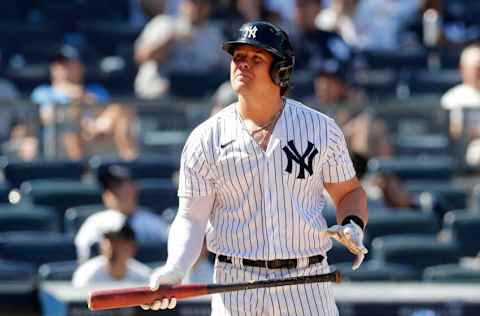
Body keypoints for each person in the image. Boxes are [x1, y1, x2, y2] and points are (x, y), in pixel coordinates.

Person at [141, 21, 368, 314]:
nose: (242, 65)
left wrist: (352, 223)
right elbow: (191, 218)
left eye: (256, 59)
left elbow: (349, 191)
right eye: (238, 57)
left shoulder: (320, 129)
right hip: (236, 283)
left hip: (306, 281)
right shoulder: (206, 138)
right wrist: (175, 267)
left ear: (282, 71)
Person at [31, 44, 138, 160]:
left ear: (81, 67)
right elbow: (47, 118)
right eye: (59, 64)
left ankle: (132, 166)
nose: (62, 68)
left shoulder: (96, 90)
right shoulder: (43, 92)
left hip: (96, 132)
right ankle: (80, 170)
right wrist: (75, 103)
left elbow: (106, 114)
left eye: (69, 64)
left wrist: (83, 96)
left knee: (119, 110)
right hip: (62, 138)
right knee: (72, 117)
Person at [75, 165, 170, 263]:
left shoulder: (153, 222)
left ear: (135, 189)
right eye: (113, 188)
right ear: (105, 195)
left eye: (124, 186)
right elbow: (84, 258)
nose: (121, 192)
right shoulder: (95, 223)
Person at [133, 0, 227, 99]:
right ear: (182, 4)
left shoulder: (214, 35)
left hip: (197, 97)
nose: (197, 7)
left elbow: (228, 67)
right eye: (193, 3)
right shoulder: (163, 24)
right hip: (158, 95)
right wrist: (170, 40)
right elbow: (141, 57)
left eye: (203, 3)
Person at [72, 223, 151, 287]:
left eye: (119, 241)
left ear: (132, 247)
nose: (111, 246)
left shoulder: (143, 276)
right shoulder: (87, 275)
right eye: (108, 240)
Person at [441, 43, 480, 166]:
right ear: (463, 69)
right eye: (476, 68)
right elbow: (454, 130)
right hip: (465, 153)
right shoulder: (452, 97)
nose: (479, 72)